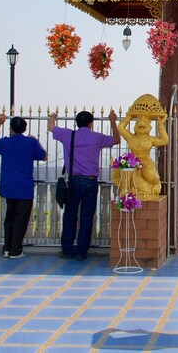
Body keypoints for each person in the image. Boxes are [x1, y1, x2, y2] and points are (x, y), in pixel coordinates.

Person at [48, 109, 119, 261]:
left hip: (74, 181)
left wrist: (52, 116)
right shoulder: (97, 138)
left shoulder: (68, 135)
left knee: (70, 216)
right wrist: (112, 120)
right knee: (86, 217)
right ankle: (81, 251)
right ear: (91, 123)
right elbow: (116, 139)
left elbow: (51, 127)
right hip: (91, 181)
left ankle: (67, 250)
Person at [0, 114, 47, 259]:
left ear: (11, 128)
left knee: (9, 218)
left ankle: (7, 247)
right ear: (25, 128)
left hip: (8, 186)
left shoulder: (5, 143)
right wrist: (36, 140)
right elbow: (44, 156)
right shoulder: (30, 143)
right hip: (24, 187)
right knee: (20, 219)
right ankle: (15, 250)